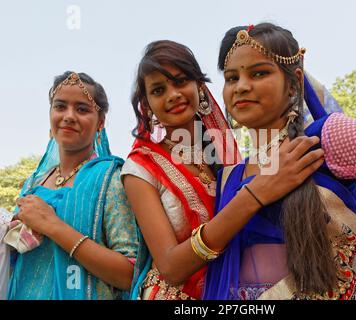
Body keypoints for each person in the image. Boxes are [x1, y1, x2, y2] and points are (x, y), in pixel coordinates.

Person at [202, 22, 356, 300]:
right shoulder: (227, 177)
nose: (242, 87)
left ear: (294, 83)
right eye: (232, 78)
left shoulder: (329, 140)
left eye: (259, 73)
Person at [122, 40, 324, 300]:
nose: (172, 95)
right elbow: (171, 267)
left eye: (181, 81)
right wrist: (253, 195)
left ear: (200, 87)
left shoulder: (223, 157)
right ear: (147, 105)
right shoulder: (140, 167)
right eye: (159, 90)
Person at [5, 71, 139, 300]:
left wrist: (53, 226)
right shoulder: (33, 183)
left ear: (101, 122)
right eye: (60, 107)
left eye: (82, 109)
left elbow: (130, 274)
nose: (69, 116)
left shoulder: (111, 179)